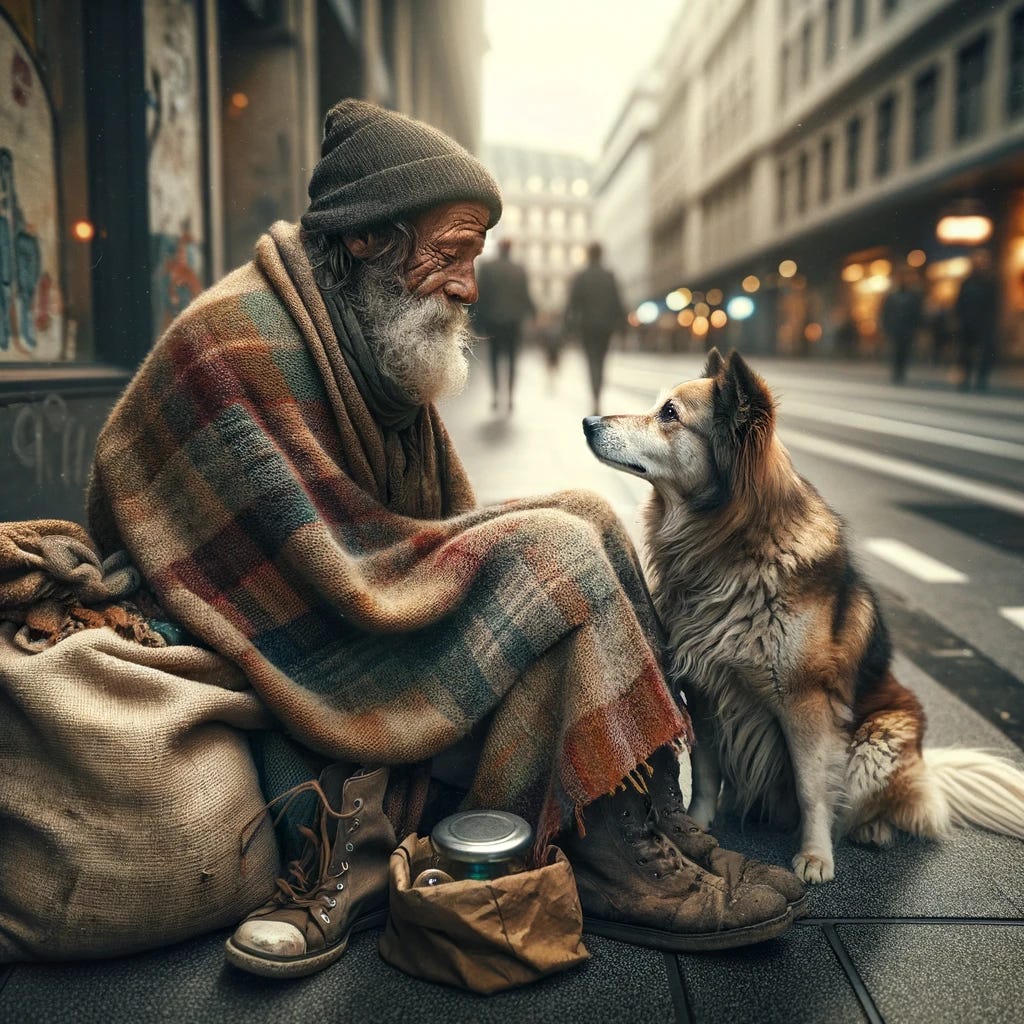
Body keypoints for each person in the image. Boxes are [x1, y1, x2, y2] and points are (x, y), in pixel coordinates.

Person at [85, 100, 802, 978]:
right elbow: (323, 581)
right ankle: (619, 867)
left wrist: (502, 554)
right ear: (365, 240)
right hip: (233, 621)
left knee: (586, 516)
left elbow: (431, 527)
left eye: (475, 259)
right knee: (557, 560)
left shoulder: (357, 335)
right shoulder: (238, 342)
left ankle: (638, 807)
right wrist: (509, 566)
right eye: (452, 254)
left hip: (335, 581)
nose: (467, 286)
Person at [473, 238, 535, 413]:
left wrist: (477, 320)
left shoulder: (488, 268)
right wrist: (533, 313)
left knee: (493, 359)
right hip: (514, 322)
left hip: (493, 322)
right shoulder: (519, 269)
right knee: (512, 360)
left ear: (499, 250)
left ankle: (495, 394)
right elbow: (525, 295)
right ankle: (510, 397)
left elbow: (480, 295)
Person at [565, 242, 626, 414]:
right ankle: (598, 395)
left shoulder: (581, 276)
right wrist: (622, 327)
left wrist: (568, 327)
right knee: (601, 361)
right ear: (601, 254)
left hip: (587, 327)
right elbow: (618, 301)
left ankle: (595, 397)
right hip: (606, 326)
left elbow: (572, 303)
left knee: (592, 362)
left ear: (589, 255)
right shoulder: (609, 276)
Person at [954, 249, 1000, 391]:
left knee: (986, 352)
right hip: (968, 322)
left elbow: (994, 304)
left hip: (984, 322)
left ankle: (981, 379)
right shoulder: (967, 282)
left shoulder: (990, 282)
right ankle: (965, 378)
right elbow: (959, 302)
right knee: (966, 353)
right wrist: (959, 318)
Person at [881, 268, 923, 384]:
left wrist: (916, 328)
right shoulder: (892, 296)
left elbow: (917, 314)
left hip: (907, 329)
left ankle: (901, 372)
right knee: (896, 351)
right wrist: (886, 327)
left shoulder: (913, 296)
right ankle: (896, 372)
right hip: (895, 328)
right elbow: (885, 313)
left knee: (904, 351)